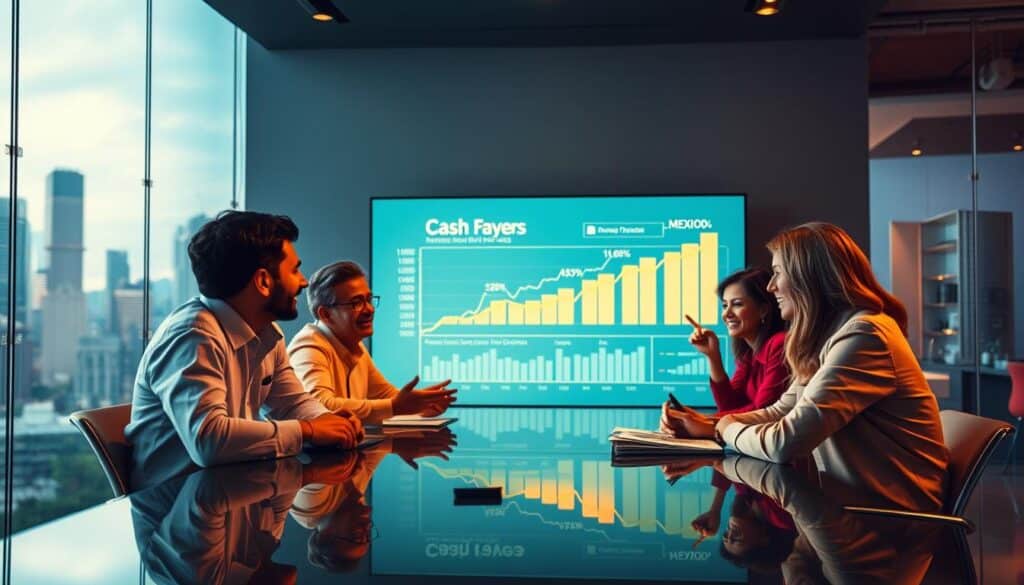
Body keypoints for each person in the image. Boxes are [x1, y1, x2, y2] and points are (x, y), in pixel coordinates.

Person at [715, 222, 948, 512]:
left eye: (777, 273)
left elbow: (785, 443)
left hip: (887, 519)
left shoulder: (865, 334)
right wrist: (715, 426)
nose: (771, 286)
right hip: (849, 507)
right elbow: (781, 411)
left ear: (808, 276)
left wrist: (726, 429)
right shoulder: (832, 335)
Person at [126, 211, 364, 491]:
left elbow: (292, 403)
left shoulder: (267, 332)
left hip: (229, 495)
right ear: (263, 281)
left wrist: (327, 420)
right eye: (294, 270)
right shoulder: (192, 336)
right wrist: (309, 430)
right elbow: (209, 440)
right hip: (177, 507)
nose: (303, 282)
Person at [288, 260, 456, 424]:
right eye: (356, 303)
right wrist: (396, 406)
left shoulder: (353, 342)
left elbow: (386, 395)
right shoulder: (309, 346)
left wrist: (422, 405)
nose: (369, 309)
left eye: (368, 299)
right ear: (326, 314)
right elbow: (319, 406)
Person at [660, 267, 787, 438]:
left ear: (763, 309)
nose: (726, 314)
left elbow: (763, 411)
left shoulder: (779, 344)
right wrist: (713, 356)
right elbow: (729, 406)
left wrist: (701, 420)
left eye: (737, 304)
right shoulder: (749, 354)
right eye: (725, 305)